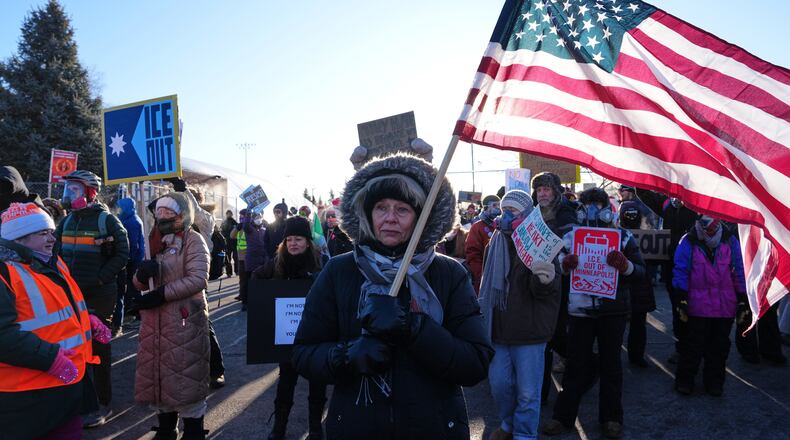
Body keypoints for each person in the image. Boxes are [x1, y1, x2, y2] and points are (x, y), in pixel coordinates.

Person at [293, 154, 494, 439]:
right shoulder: (339, 271)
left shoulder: (448, 273)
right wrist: (346, 356)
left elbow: (475, 362)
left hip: (435, 428)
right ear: (367, 213)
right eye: (381, 207)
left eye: (402, 209)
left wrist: (416, 329)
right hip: (356, 428)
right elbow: (303, 353)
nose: (390, 218)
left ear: (420, 217)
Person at [0, 202, 111, 440]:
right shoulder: (4, 272)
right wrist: (50, 359)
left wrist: (87, 318)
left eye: (51, 231)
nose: (52, 238)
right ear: (19, 239)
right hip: (26, 398)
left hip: (65, 388)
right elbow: (2, 334)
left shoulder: (53, 262)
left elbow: (59, 304)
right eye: (43, 233)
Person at [543, 188, 645, 439]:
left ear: (606, 207)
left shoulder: (622, 237)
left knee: (612, 365)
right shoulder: (569, 236)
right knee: (576, 365)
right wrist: (564, 266)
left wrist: (626, 266)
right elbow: (553, 268)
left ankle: (612, 418)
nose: (592, 209)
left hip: (613, 311)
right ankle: (562, 416)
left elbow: (641, 272)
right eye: (587, 203)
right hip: (580, 312)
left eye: (597, 204)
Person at [480, 190, 561, 440]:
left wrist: (545, 281)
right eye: (504, 209)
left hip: (529, 330)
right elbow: (486, 285)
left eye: (513, 210)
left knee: (528, 392)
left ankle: (524, 434)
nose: (506, 215)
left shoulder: (540, 241)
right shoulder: (494, 241)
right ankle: (508, 424)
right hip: (499, 328)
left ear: (527, 213)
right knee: (500, 385)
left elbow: (548, 291)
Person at [131, 192, 210, 440]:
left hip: (183, 320)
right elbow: (140, 284)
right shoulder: (153, 240)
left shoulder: (193, 240)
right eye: (160, 212)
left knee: (184, 375)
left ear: (182, 214)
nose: (162, 216)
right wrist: (142, 276)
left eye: (169, 212)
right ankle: (166, 427)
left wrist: (163, 294)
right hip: (154, 322)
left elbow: (198, 279)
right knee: (160, 376)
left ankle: (193, 430)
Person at [53, 170, 129, 428]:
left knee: (98, 349)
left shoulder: (106, 220)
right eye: (68, 189)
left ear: (90, 192)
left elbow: (123, 253)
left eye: (74, 190)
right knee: (73, 346)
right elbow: (55, 253)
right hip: (71, 294)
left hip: (100, 295)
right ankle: (79, 400)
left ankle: (102, 403)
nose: (68, 195)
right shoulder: (66, 222)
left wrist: (100, 278)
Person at [255, 216, 327, 440]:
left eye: (298, 239)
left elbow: (334, 288)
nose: (293, 243)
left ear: (308, 241)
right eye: (289, 239)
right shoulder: (278, 261)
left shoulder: (321, 262)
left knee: (317, 382)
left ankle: (315, 428)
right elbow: (256, 277)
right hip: (288, 337)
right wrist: (266, 305)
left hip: (316, 335)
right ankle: (279, 428)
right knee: (286, 381)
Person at [671, 215, 746, 397]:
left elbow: (739, 270)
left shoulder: (730, 240)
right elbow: (680, 270)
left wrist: (743, 299)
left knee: (719, 347)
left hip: (724, 306)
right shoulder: (688, 241)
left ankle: (714, 382)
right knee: (693, 346)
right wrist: (681, 299)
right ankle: (685, 380)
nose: (709, 227)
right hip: (698, 305)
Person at [530, 172, 579, 404]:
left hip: (559, 280)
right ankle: (541, 393)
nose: (542, 193)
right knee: (544, 336)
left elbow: (571, 244)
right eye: (539, 189)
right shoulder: (532, 213)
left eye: (547, 189)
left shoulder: (565, 211)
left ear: (556, 191)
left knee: (554, 333)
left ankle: (584, 364)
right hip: (536, 280)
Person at [635, 189, 698, 364]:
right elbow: (644, 192)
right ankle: (683, 348)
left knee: (699, 309)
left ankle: (700, 348)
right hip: (673, 267)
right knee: (679, 309)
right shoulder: (666, 203)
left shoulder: (697, 201)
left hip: (697, 266)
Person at [617, 199, 657, 368]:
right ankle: (635, 356)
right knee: (636, 325)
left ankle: (630, 356)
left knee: (629, 325)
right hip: (636, 287)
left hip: (628, 287)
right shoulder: (617, 235)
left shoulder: (618, 235)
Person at [114, 197, 145, 336]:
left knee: (133, 286)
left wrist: (128, 258)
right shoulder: (129, 218)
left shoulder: (132, 221)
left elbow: (132, 243)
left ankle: (137, 314)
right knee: (131, 286)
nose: (118, 209)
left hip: (133, 259)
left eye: (120, 207)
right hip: (133, 258)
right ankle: (134, 313)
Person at [465, 194, 501, 294]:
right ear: (486, 208)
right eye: (494, 206)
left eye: (499, 205)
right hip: (484, 278)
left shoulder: (501, 225)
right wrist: (482, 277)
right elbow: (472, 254)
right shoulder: (477, 227)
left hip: (499, 276)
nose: (498, 208)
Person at [241, 210, 268, 311]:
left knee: (261, 282)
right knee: (248, 282)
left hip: (262, 260)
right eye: (256, 217)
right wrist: (248, 213)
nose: (258, 219)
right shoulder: (249, 229)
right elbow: (245, 225)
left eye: (259, 217)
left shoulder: (264, 230)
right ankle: (245, 302)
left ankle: (259, 301)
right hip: (251, 260)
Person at [232, 209, 250, 306]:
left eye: (242, 217)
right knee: (242, 279)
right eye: (240, 217)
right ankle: (242, 295)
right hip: (240, 257)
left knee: (247, 279)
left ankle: (246, 298)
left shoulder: (249, 227)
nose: (240, 219)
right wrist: (237, 228)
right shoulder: (239, 227)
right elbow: (232, 236)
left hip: (248, 257)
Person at [221, 210, 238, 277]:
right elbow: (222, 232)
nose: (229, 215)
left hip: (234, 243)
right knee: (228, 259)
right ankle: (229, 273)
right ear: (226, 214)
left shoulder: (235, 223)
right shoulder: (224, 223)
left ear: (232, 214)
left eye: (230, 214)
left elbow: (238, 231)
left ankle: (237, 271)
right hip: (227, 243)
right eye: (228, 214)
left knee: (236, 258)